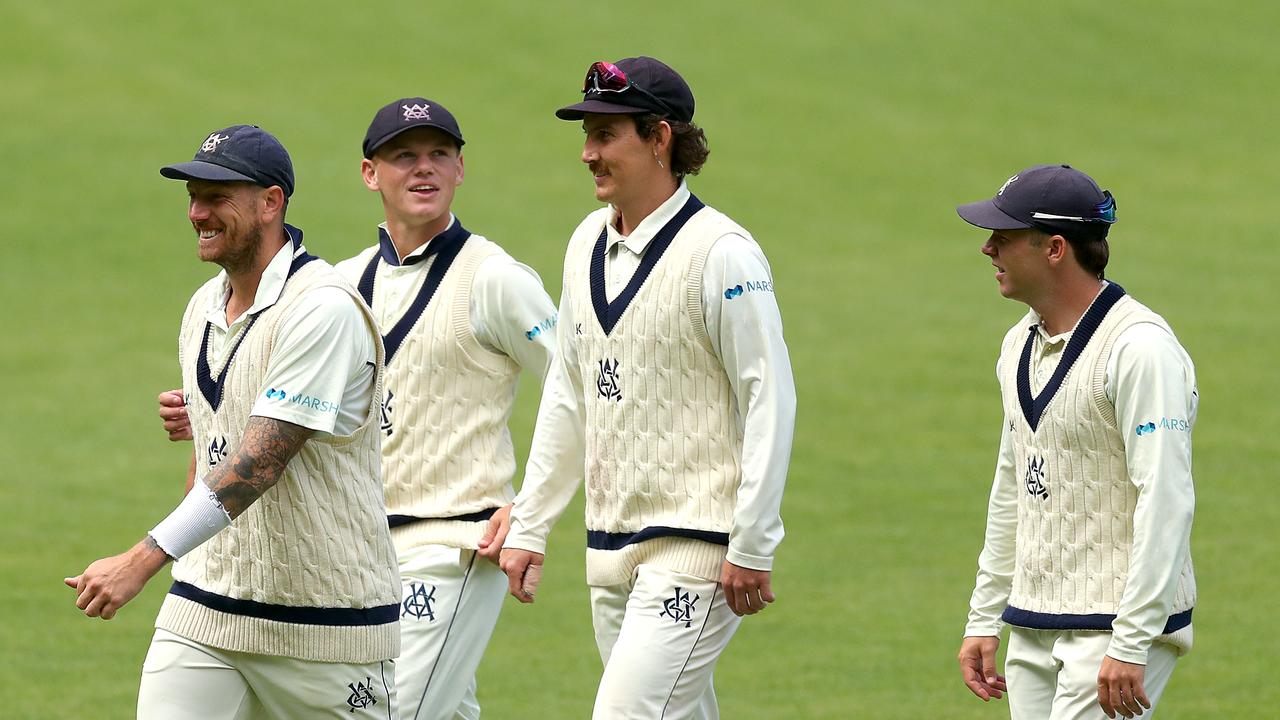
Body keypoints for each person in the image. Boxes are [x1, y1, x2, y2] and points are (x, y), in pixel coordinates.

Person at [159, 100, 557, 720]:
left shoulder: (496, 278)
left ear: (460, 170)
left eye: (439, 156)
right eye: (404, 157)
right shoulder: (340, 283)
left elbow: (578, 391)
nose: (423, 170)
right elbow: (292, 416)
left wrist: (530, 507)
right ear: (370, 174)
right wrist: (210, 417)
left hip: (452, 543)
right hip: (356, 554)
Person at [67, 124, 401, 718]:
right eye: (193, 196)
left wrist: (141, 559)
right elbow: (216, 461)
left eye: (218, 197)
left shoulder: (322, 307)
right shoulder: (203, 305)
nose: (199, 212)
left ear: (271, 202)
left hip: (325, 625)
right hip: (206, 607)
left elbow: (256, 464)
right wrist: (205, 423)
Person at [498, 57, 796, 719]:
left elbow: (768, 397)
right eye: (587, 135)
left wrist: (751, 543)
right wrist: (531, 524)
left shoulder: (722, 253)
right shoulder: (585, 244)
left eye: (606, 135)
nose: (587, 153)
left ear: (660, 138)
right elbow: (569, 394)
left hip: (695, 547)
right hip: (610, 549)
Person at [954, 164, 1197, 720]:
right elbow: (1012, 485)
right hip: (1036, 619)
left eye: (1005, 238)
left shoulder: (1140, 350)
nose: (988, 249)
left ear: (1055, 249)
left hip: (1116, 629)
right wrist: (985, 616)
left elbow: (1166, 497)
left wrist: (1133, 639)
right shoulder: (1018, 344)